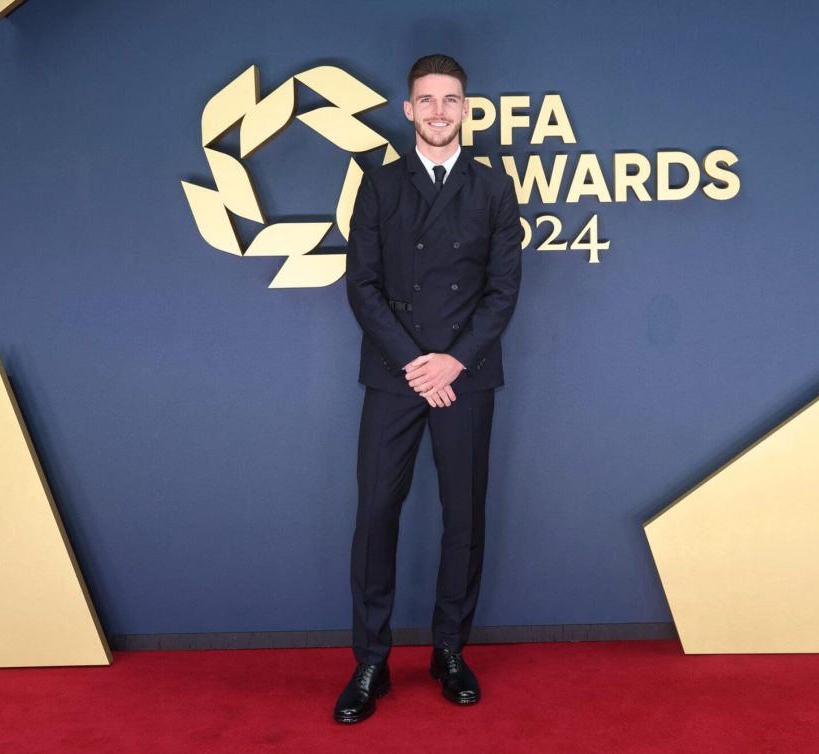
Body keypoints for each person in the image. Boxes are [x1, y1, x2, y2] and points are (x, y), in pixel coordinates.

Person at [333, 53, 522, 724]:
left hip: (464, 379)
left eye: (451, 99)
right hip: (393, 375)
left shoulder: (493, 190)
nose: (439, 110)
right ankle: (371, 661)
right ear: (408, 110)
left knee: (463, 519)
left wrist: (453, 363)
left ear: (466, 109)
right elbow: (362, 286)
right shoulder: (379, 187)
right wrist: (418, 363)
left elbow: (502, 293)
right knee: (376, 514)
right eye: (426, 100)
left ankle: (449, 651)